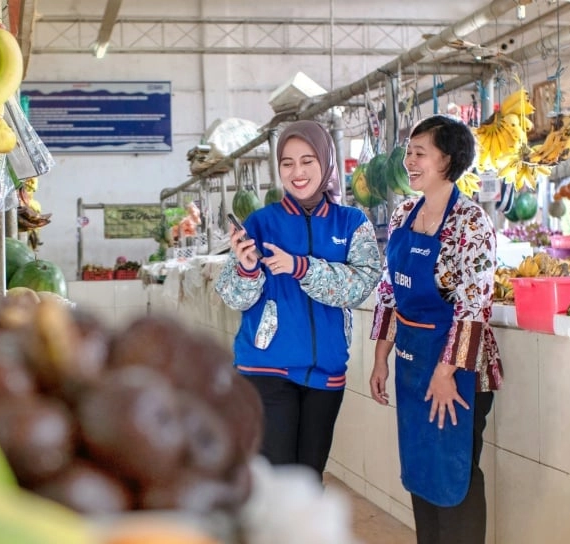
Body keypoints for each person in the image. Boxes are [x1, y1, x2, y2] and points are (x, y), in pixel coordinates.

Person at [214, 120, 381, 480]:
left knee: (308, 479)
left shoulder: (351, 223)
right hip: (265, 369)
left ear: (326, 161)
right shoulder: (260, 222)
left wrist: (300, 267)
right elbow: (230, 295)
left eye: (307, 160)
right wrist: (246, 268)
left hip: (326, 374)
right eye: (287, 163)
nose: (297, 172)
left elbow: (362, 284)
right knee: (278, 482)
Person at [368, 114, 503, 544]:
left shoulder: (471, 222)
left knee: (456, 469)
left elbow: (473, 305)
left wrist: (446, 373)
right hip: (412, 361)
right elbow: (391, 289)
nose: (408, 160)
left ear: (447, 159)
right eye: (409, 151)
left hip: (460, 369)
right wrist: (379, 358)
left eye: (418, 152)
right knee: (423, 466)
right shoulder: (404, 214)